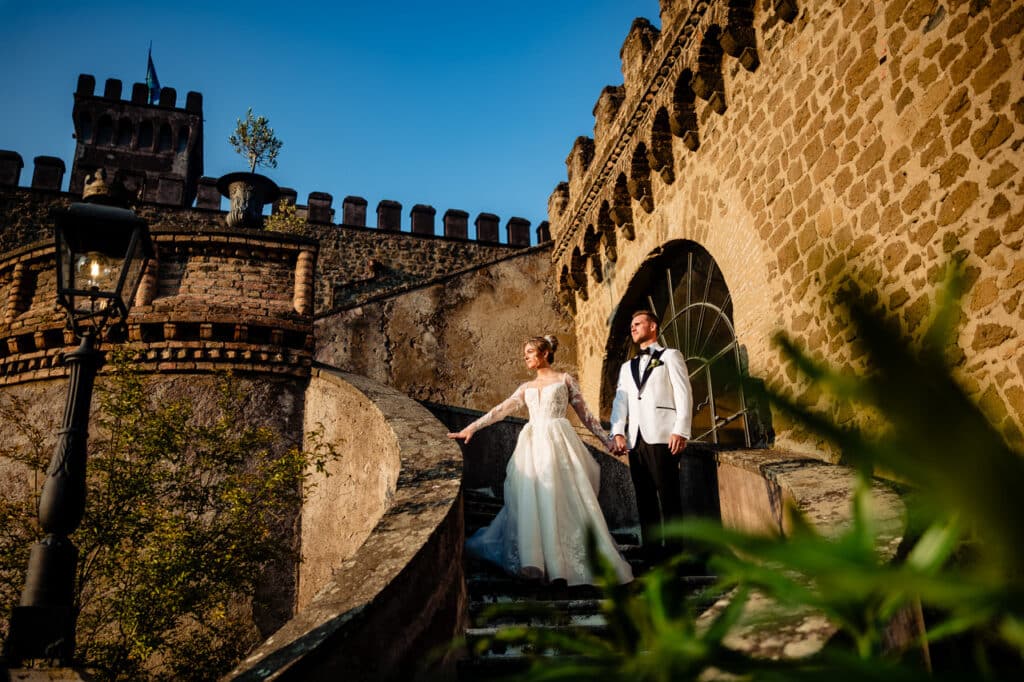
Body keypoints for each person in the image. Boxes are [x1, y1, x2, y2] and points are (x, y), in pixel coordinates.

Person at [448, 335, 633, 586]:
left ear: (545, 353)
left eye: (530, 352)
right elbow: (499, 410)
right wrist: (472, 427)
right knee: (534, 499)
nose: (525, 357)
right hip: (533, 446)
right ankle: (537, 562)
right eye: (524, 353)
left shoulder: (565, 380)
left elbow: (587, 416)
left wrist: (608, 440)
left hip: (559, 443)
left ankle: (563, 566)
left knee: (562, 498)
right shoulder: (525, 388)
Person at [610, 310, 693, 560]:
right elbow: (620, 401)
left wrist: (681, 429)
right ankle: (653, 552)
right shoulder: (626, 367)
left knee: (669, 496)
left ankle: (676, 554)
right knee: (644, 499)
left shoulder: (671, 356)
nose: (633, 328)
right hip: (636, 440)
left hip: (663, 435)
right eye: (631, 325)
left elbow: (684, 393)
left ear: (653, 326)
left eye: (638, 323)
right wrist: (617, 432)